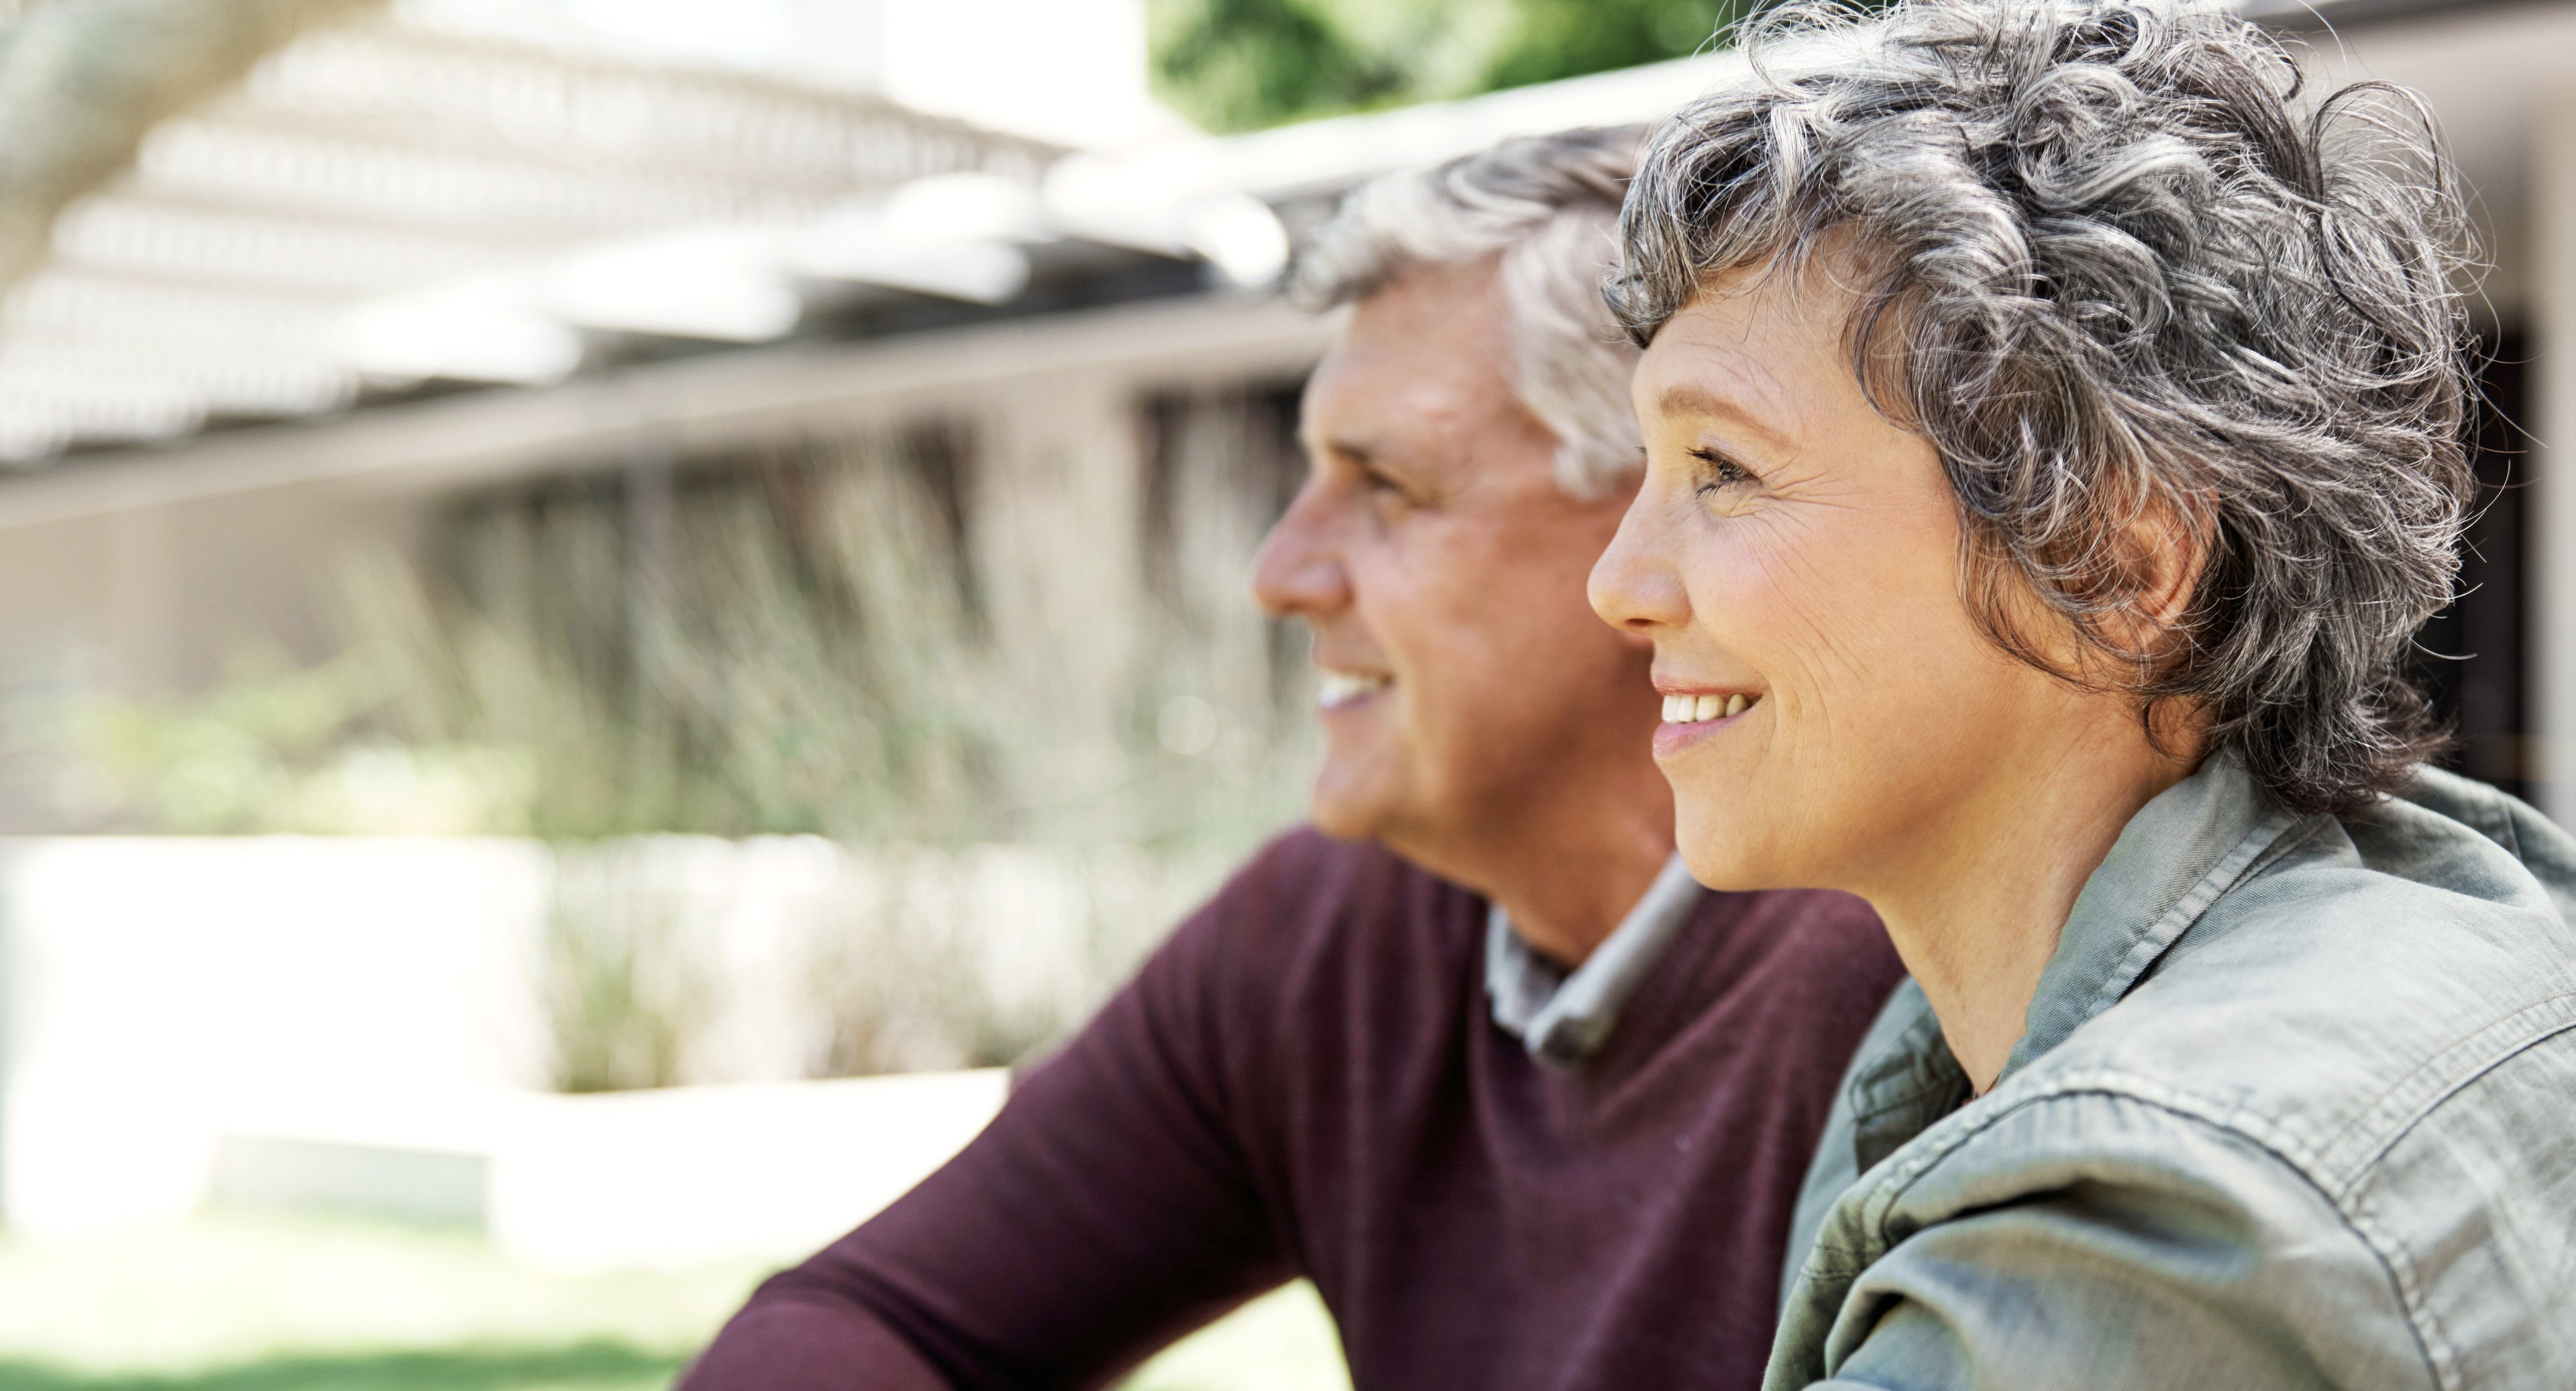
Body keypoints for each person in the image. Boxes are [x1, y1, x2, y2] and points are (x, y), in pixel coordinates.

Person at [677, 128, 1904, 1391]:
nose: (1280, 574)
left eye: (1385, 487)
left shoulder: (1916, 952)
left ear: (1654, 514)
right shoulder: (1327, 936)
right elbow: (871, 1318)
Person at [1587, 1, 2576, 1386]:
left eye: (1726, 470)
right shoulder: (2471, 902)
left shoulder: (2153, 1224)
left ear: (2116, 556)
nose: (1618, 582)